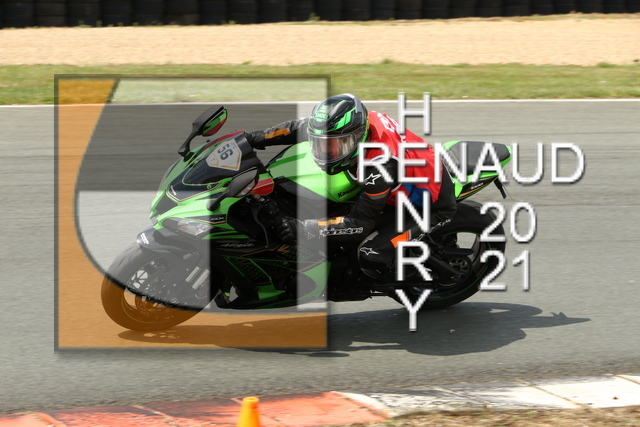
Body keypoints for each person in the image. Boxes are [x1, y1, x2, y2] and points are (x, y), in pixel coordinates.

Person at [246, 93, 457, 281]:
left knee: (371, 254)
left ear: (358, 137)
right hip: (406, 174)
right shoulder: (349, 123)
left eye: (336, 145)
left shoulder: (379, 166)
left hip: (430, 205)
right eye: (320, 144)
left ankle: (401, 278)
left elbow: (359, 224)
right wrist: (251, 139)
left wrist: (303, 228)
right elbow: (296, 128)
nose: (325, 151)